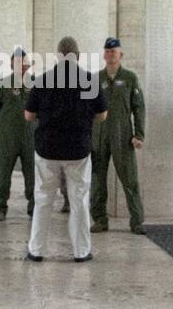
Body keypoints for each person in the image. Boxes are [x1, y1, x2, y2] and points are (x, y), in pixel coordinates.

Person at [24, 37, 108, 262]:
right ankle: (81, 252)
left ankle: (36, 251)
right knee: (79, 201)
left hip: (47, 149)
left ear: (58, 57)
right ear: (78, 57)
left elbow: (29, 115)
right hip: (78, 150)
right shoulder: (89, 80)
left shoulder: (42, 80)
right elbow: (102, 114)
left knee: (43, 199)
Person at [90, 37, 146, 235]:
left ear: (120, 55)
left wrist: (139, 134)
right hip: (99, 135)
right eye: (107, 51)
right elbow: (87, 110)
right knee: (97, 180)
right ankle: (99, 219)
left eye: (114, 52)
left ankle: (137, 221)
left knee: (130, 179)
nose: (111, 55)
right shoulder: (95, 79)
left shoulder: (130, 78)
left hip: (123, 135)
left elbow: (139, 107)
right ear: (104, 55)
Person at [0, 46, 35, 221]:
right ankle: (0, 208)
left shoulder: (36, 83)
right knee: (1, 172)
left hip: (31, 137)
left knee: (33, 173)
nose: (20, 66)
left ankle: (34, 207)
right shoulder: (1, 84)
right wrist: (7, 123)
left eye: (23, 63)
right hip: (7, 137)